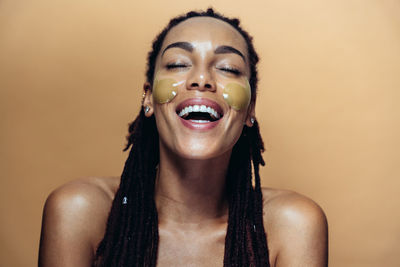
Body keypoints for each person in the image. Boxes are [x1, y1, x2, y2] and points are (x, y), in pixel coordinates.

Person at [38, 8, 328, 267]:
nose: (201, 79)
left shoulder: (292, 226)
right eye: (177, 64)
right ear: (148, 97)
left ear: (250, 109)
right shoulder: (80, 212)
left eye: (228, 68)